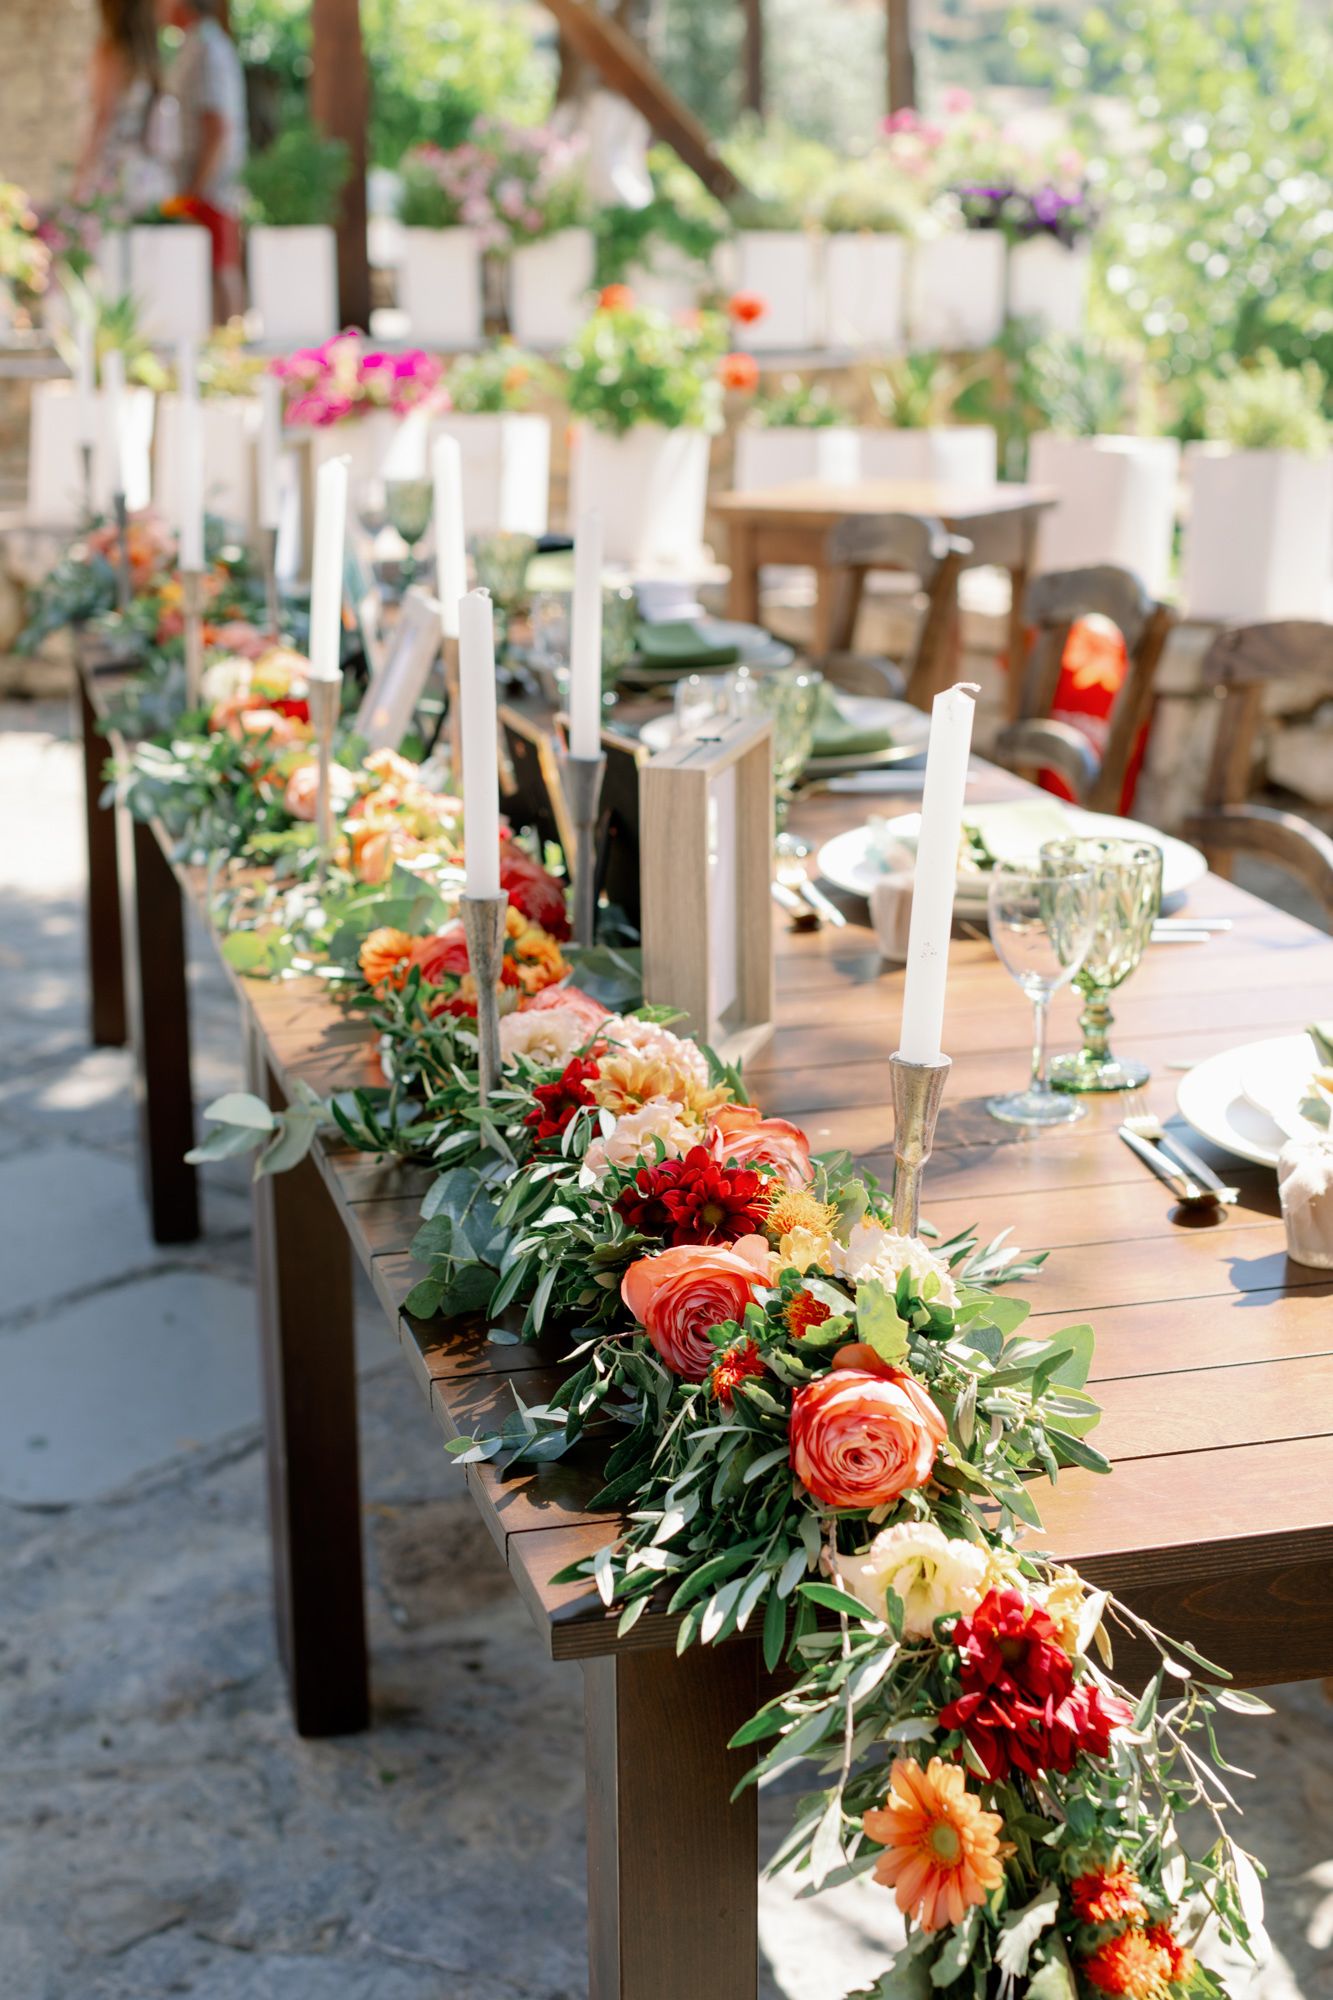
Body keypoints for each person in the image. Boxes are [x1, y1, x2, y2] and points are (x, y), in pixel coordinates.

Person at [156, 0, 247, 322]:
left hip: (210, 184)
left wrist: (196, 191)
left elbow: (217, 126)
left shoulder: (208, 50)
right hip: (198, 181)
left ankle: (230, 352)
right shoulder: (193, 47)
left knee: (221, 266)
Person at [73, 0, 170, 211]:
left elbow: (103, 116)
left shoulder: (112, 51)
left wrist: (82, 175)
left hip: (112, 174)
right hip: (145, 177)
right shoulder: (148, 57)